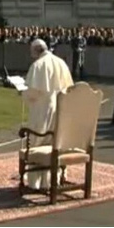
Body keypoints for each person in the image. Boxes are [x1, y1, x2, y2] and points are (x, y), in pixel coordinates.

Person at [23, 38, 74, 190]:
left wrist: (22, 92)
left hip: (42, 110)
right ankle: (55, 178)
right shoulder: (61, 63)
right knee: (54, 144)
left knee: (36, 144)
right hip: (59, 109)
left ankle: (36, 183)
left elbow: (32, 92)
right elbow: (68, 87)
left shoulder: (38, 65)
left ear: (36, 50)